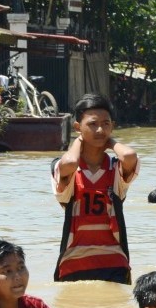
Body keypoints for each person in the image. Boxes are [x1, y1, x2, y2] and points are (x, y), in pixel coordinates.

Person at [51, 93, 139, 284]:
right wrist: (78, 141)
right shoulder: (63, 168)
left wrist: (111, 142)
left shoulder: (115, 169)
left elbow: (130, 156)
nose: (100, 129)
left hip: (114, 261)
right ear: (77, 127)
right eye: (92, 124)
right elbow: (71, 162)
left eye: (106, 124)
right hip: (73, 262)